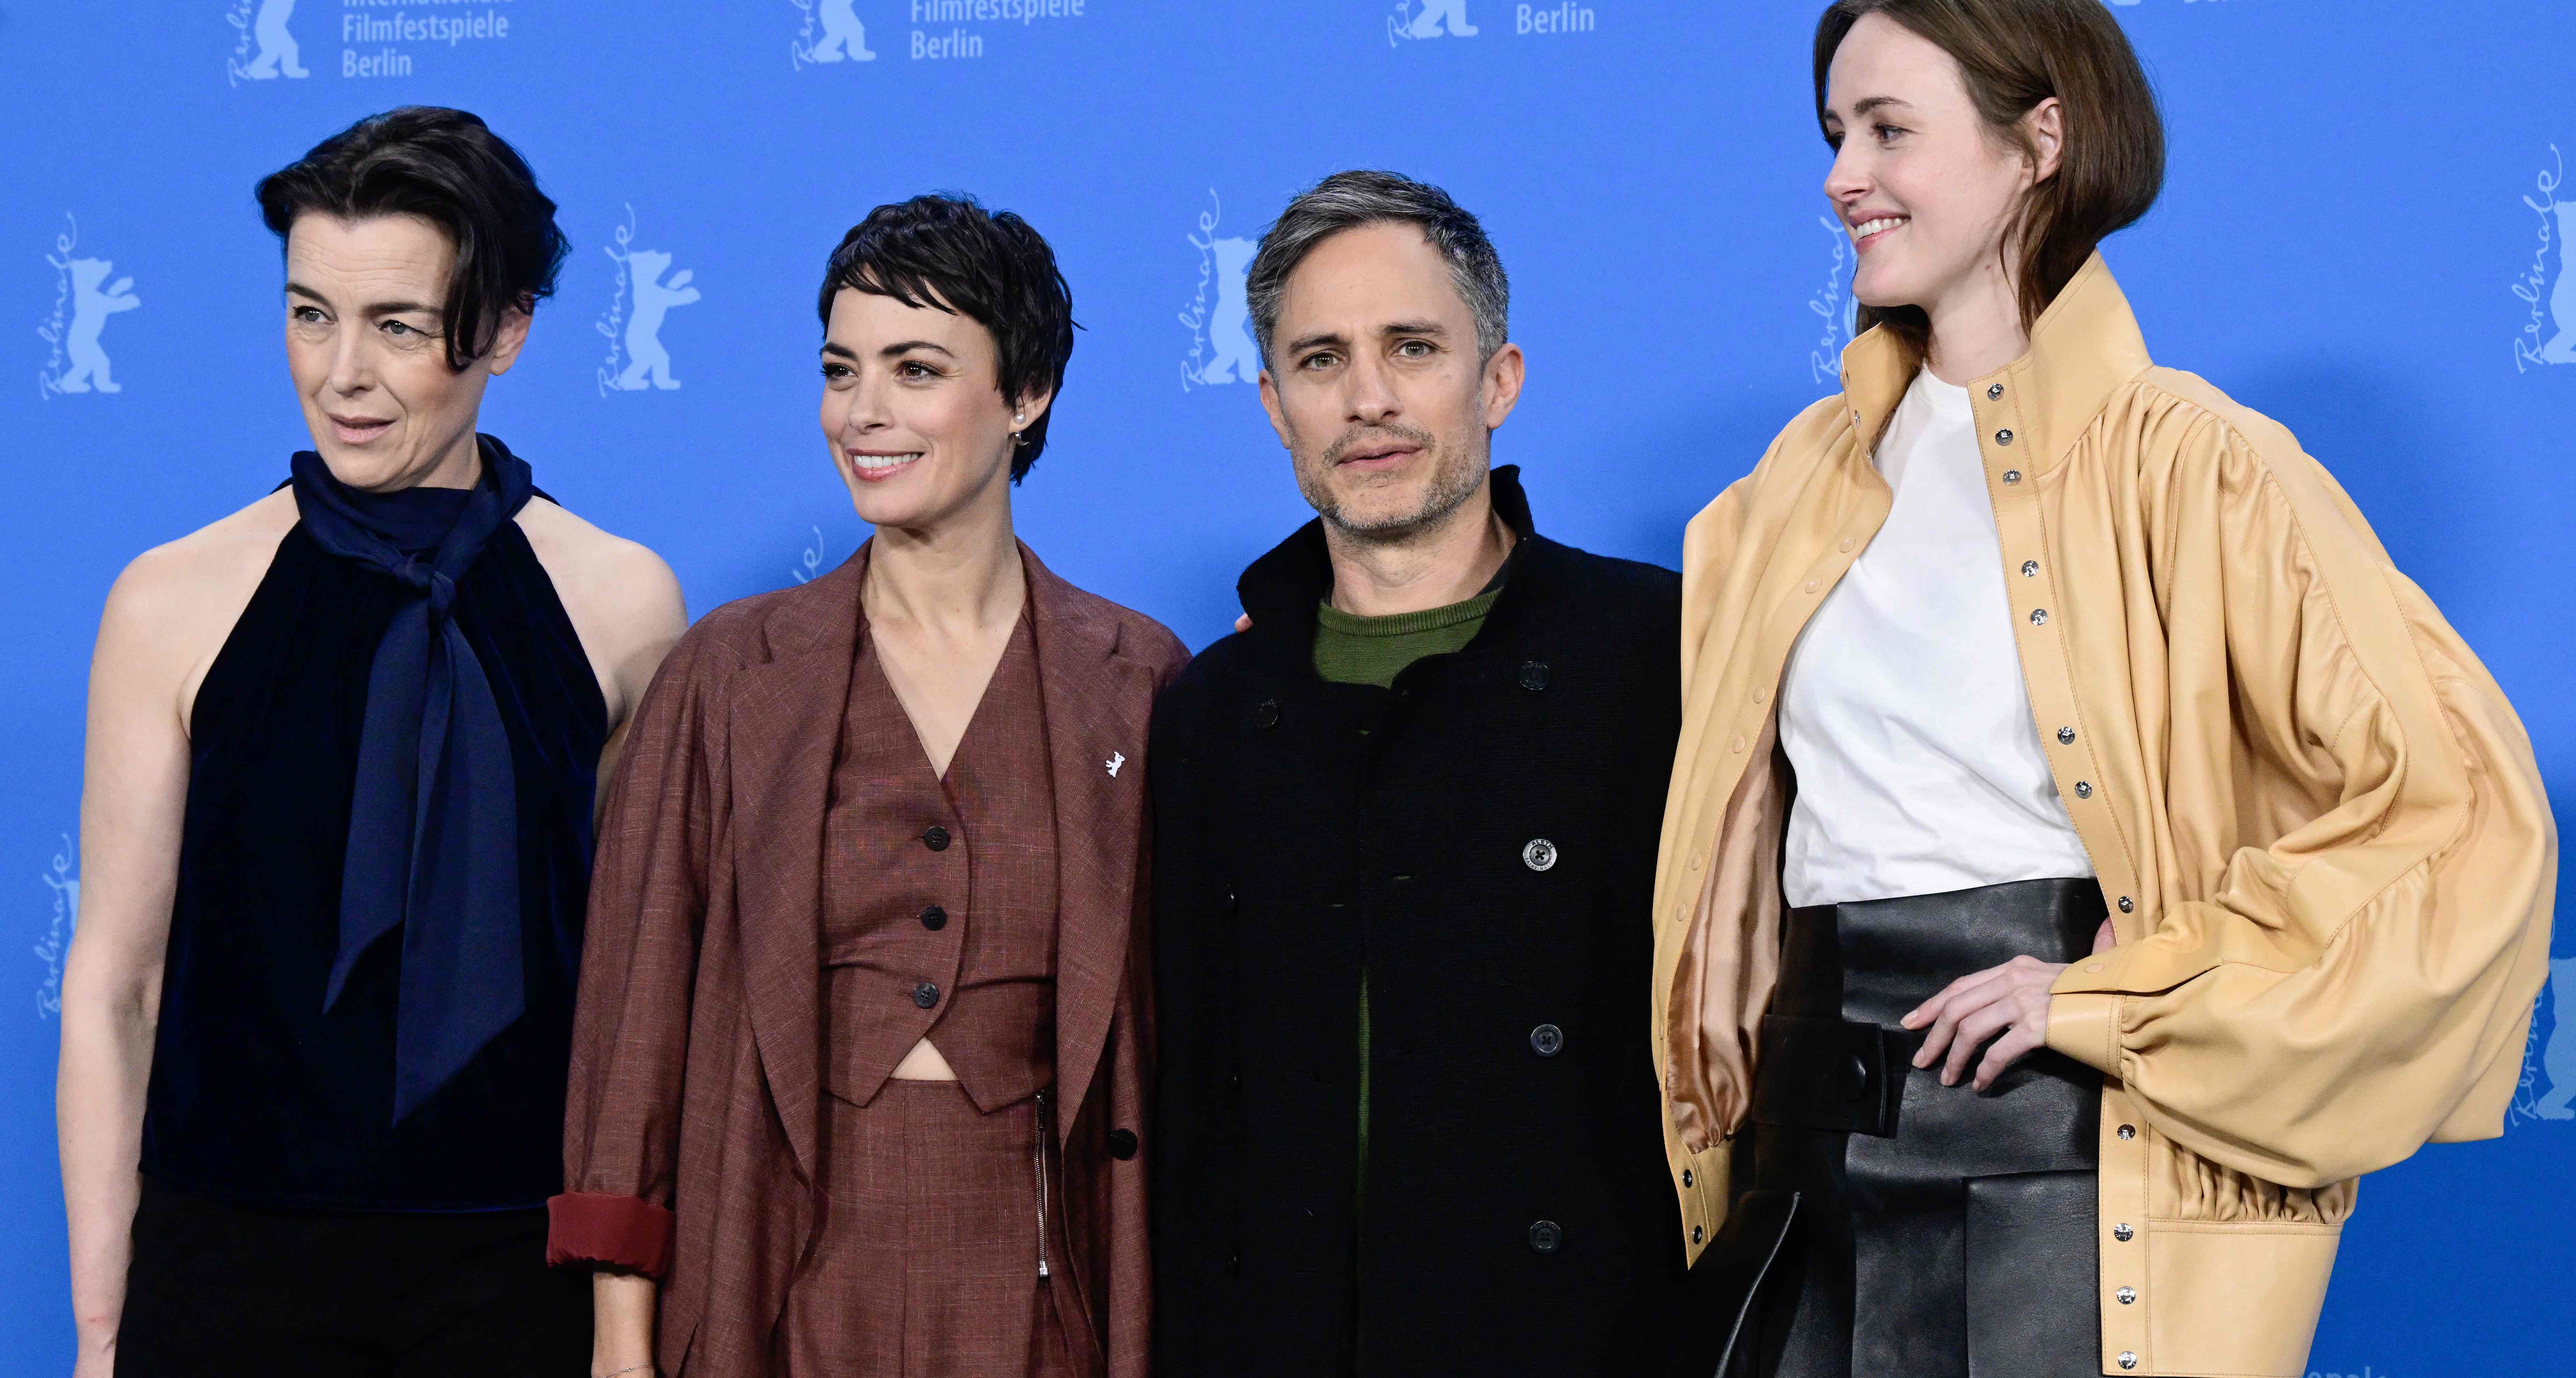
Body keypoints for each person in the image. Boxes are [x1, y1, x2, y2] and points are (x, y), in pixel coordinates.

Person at [1653, 0, 2555, 1378]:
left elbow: (2451, 821)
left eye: (1888, 130)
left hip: (2052, 1167)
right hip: (1802, 1169)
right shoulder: (1779, 497)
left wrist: (2114, 998)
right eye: (1831, 134)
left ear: (2038, 145)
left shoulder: (2197, 464)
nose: (1841, 177)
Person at [58, 106, 687, 1377]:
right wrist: (101, 1332)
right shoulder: (174, 600)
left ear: (507, 329)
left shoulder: (620, 602)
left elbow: (636, 1012)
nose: (341, 373)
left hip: (515, 1275)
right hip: (225, 1269)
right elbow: (115, 989)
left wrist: (622, 1322)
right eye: (309, 313)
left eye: (397, 327)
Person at [553, 195, 1185, 1378]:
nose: (866, 412)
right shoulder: (728, 675)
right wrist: (620, 1342)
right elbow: (634, 1023)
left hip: (1049, 1291)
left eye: (916, 368)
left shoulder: (1141, 680)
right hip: (775, 1278)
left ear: (1027, 394)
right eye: (843, 370)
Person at [1151, 171, 1689, 1375]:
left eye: (1412, 347)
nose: (1370, 399)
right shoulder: (1213, 712)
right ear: (1273, 405)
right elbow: (1188, 1118)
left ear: (1498, 379)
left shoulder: (1658, 655)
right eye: (1322, 359)